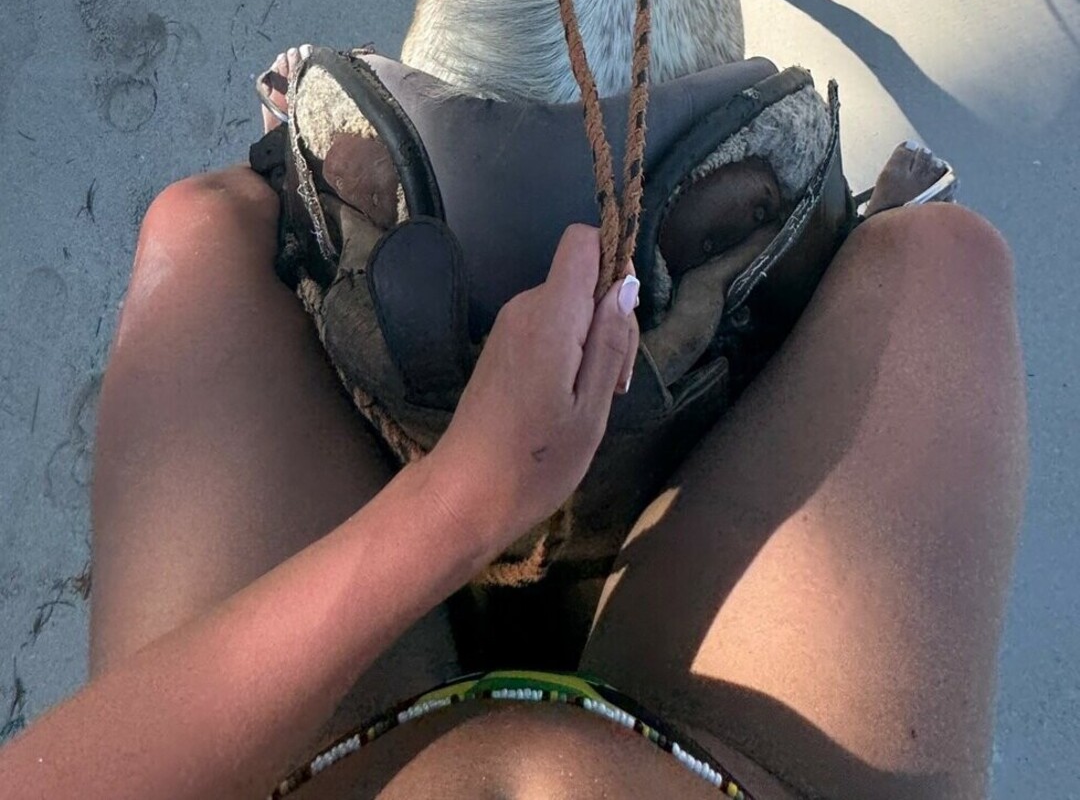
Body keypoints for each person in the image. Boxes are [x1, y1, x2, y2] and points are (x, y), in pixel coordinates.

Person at [0, 49, 1027, 800]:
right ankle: (863, 242)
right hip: (743, 770)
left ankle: (283, 171)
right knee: (945, 265)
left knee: (202, 224)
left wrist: (459, 501)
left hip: (320, 762)